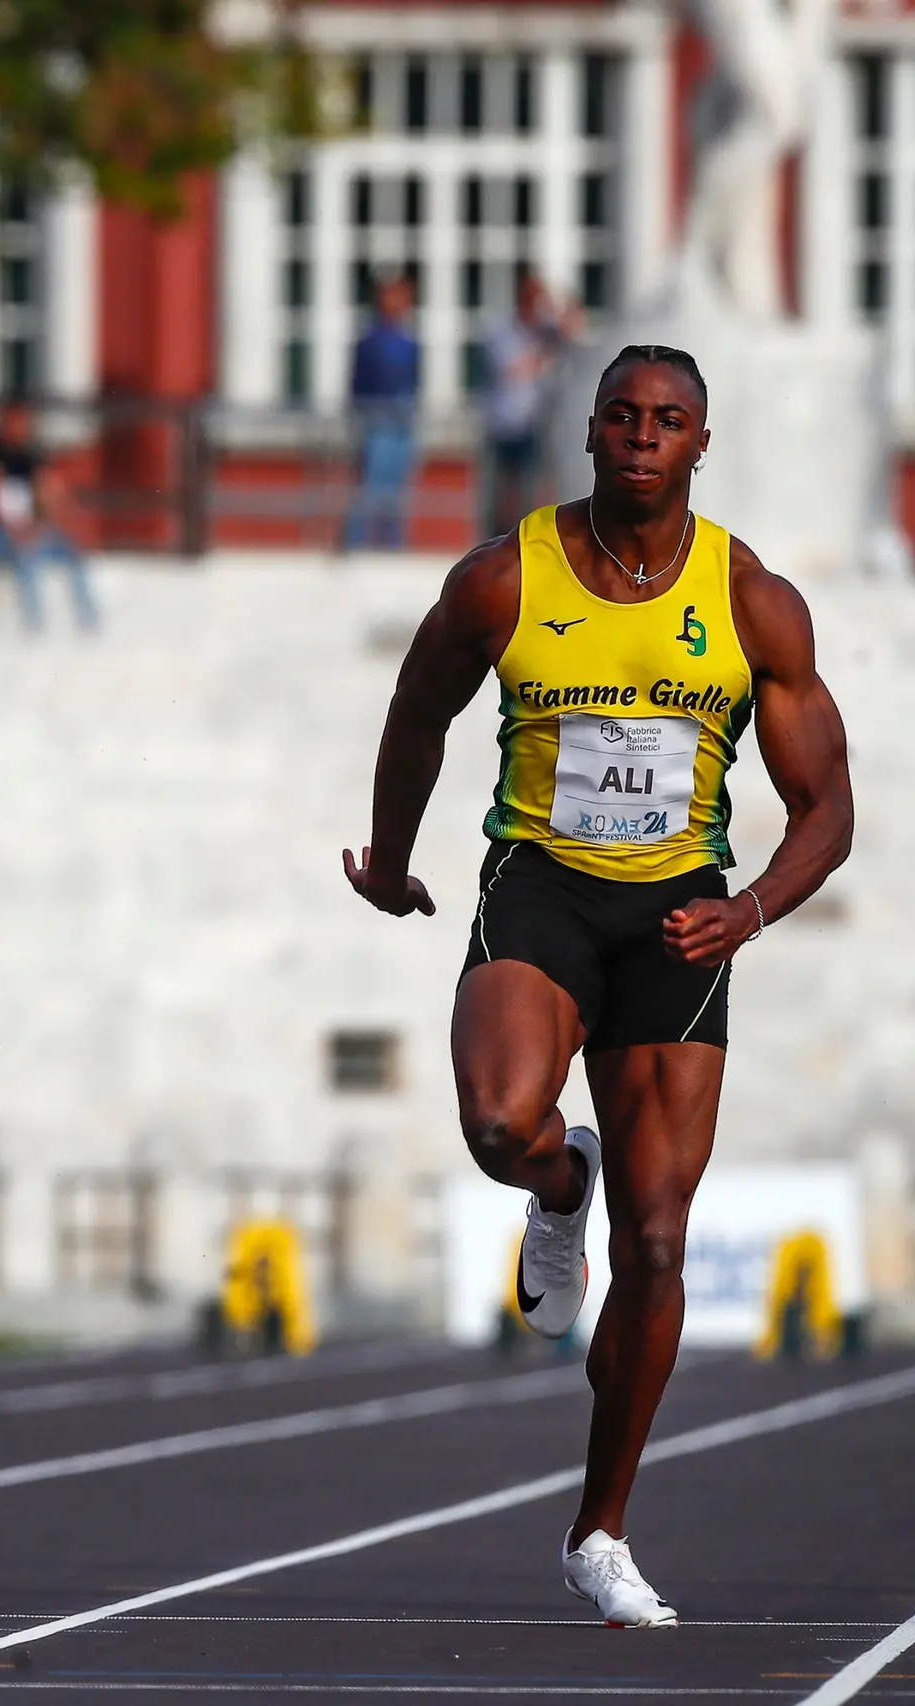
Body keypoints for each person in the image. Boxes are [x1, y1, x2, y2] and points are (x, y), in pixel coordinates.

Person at [344, 346, 852, 1626]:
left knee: (665, 1239)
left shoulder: (753, 601)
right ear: (588, 431)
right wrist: (394, 860)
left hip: (679, 911)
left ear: (698, 443)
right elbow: (418, 710)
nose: (642, 437)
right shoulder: (504, 577)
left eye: (667, 421)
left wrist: (747, 909)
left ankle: (600, 1527)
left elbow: (825, 805)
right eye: (622, 416)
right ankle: (554, 1180)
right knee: (497, 1122)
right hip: (543, 884)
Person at [0, 398, 96, 634]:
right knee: (26, 558)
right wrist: (19, 533)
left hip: (25, 531)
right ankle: (33, 629)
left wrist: (42, 529)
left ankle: (89, 626)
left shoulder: (31, 456)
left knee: (71, 554)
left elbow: (49, 496)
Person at [343, 274, 422, 550]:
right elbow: (358, 384)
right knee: (371, 486)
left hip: (402, 422)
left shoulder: (409, 343)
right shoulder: (370, 342)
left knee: (397, 489)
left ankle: (393, 545)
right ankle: (354, 543)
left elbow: (413, 382)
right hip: (376, 421)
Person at [481, 270, 560, 537]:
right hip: (503, 424)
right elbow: (511, 370)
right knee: (497, 494)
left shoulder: (545, 331)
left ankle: (522, 542)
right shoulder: (502, 331)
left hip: (535, 425)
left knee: (529, 493)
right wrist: (541, 356)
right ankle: (491, 543)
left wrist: (554, 306)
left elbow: (576, 329)